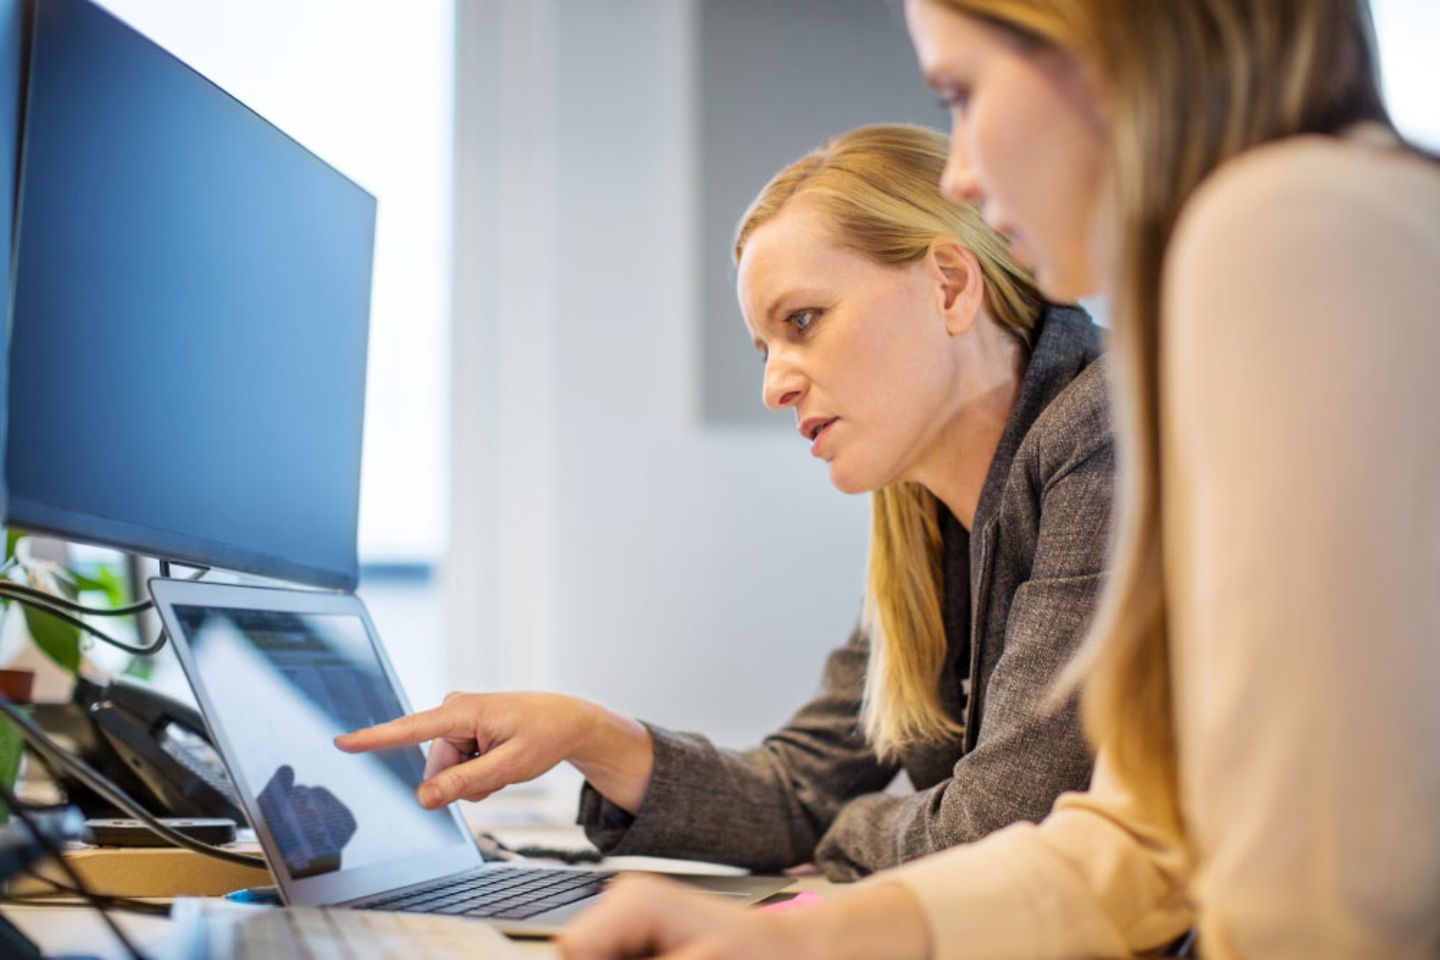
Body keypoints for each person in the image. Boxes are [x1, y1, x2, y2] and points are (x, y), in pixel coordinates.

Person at [554, 0, 1440, 958]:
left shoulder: (1277, 236)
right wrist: (806, 932)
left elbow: (1336, 900)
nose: (964, 172)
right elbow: (1146, 841)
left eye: (961, 94)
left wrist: (842, 851)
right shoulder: (932, 506)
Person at [338, 124, 1116, 881]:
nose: (775, 384)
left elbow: (997, 836)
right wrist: (590, 733)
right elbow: (802, 790)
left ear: (949, 285)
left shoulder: (1103, 430)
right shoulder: (921, 522)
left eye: (802, 321)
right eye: (766, 346)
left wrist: (848, 832)